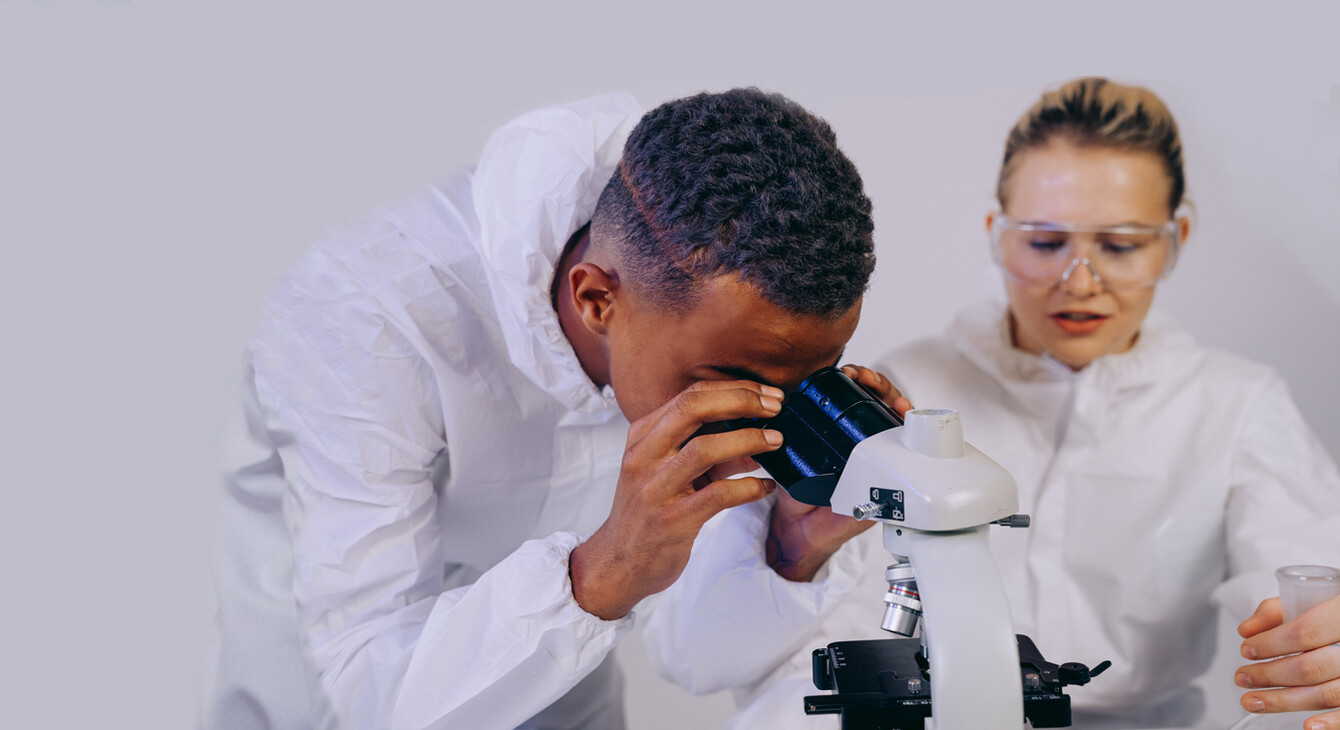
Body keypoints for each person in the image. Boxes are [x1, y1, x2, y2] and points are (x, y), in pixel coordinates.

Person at [643, 78, 1340, 729]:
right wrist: (796, 551)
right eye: (1044, 243)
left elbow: (1311, 587)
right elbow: (694, 657)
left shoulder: (1237, 407)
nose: (1081, 281)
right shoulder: (893, 392)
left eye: (1121, 246)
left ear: (1173, 242)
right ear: (998, 236)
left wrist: (1322, 644)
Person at [201, 88, 880, 730]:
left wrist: (791, 549)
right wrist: (601, 574)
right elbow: (366, 685)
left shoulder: (726, 294)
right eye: (731, 381)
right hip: (334, 657)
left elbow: (688, 652)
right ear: (595, 300)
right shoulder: (365, 314)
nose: (765, 417)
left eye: (808, 378)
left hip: (564, 636)